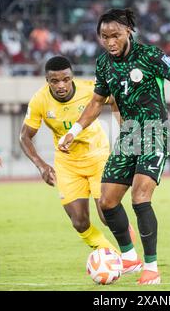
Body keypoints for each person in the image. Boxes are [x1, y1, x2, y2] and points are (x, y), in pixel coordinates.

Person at [58, 8, 170, 285]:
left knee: (139, 197)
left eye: (115, 35)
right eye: (104, 36)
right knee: (107, 201)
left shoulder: (150, 55)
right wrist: (74, 131)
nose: (110, 41)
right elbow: (97, 102)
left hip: (154, 132)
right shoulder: (104, 63)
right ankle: (129, 257)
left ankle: (151, 267)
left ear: (128, 32)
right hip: (128, 136)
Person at [19, 56, 136, 256]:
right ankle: (110, 255)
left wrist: (124, 128)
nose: (61, 85)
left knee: (107, 215)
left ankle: (127, 246)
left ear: (72, 77)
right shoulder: (39, 100)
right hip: (68, 163)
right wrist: (41, 165)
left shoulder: (89, 90)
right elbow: (24, 136)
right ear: (47, 81)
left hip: (97, 156)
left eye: (65, 79)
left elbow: (115, 99)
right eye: (54, 81)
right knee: (79, 222)